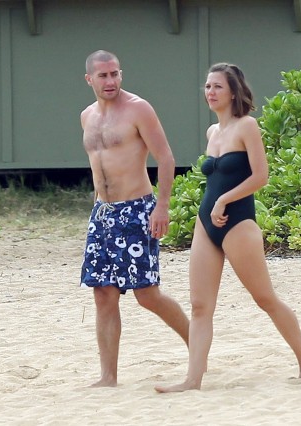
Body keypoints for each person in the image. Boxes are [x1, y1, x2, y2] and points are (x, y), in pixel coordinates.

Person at [155, 63, 301, 393]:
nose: (210, 92)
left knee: (264, 298)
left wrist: (224, 200)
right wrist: (212, 206)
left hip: (238, 223)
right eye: (207, 86)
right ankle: (193, 379)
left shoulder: (248, 126)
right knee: (200, 306)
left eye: (217, 87)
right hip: (206, 224)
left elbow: (260, 176)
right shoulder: (212, 133)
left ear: (233, 92)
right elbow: (215, 177)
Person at [79, 50, 190, 387]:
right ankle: (108, 376)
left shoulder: (138, 109)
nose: (110, 81)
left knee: (147, 294)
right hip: (103, 213)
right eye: (103, 76)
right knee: (103, 294)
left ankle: (198, 345)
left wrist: (162, 206)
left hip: (136, 209)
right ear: (89, 79)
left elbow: (166, 158)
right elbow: (98, 165)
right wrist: (96, 206)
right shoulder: (87, 116)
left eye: (114, 74)